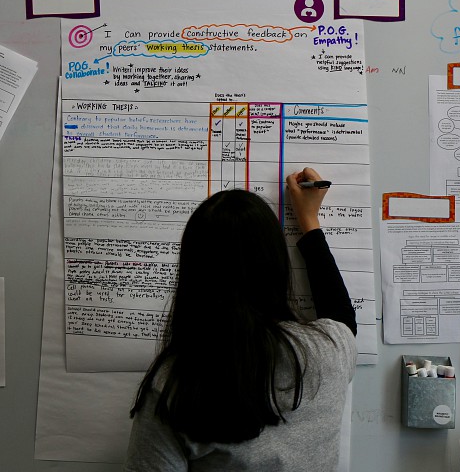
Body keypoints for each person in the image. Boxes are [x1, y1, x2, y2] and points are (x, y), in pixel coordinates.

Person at [124, 167, 358, 471]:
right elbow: (342, 321)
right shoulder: (329, 351)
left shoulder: (176, 383)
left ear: (194, 275)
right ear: (277, 266)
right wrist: (310, 223)